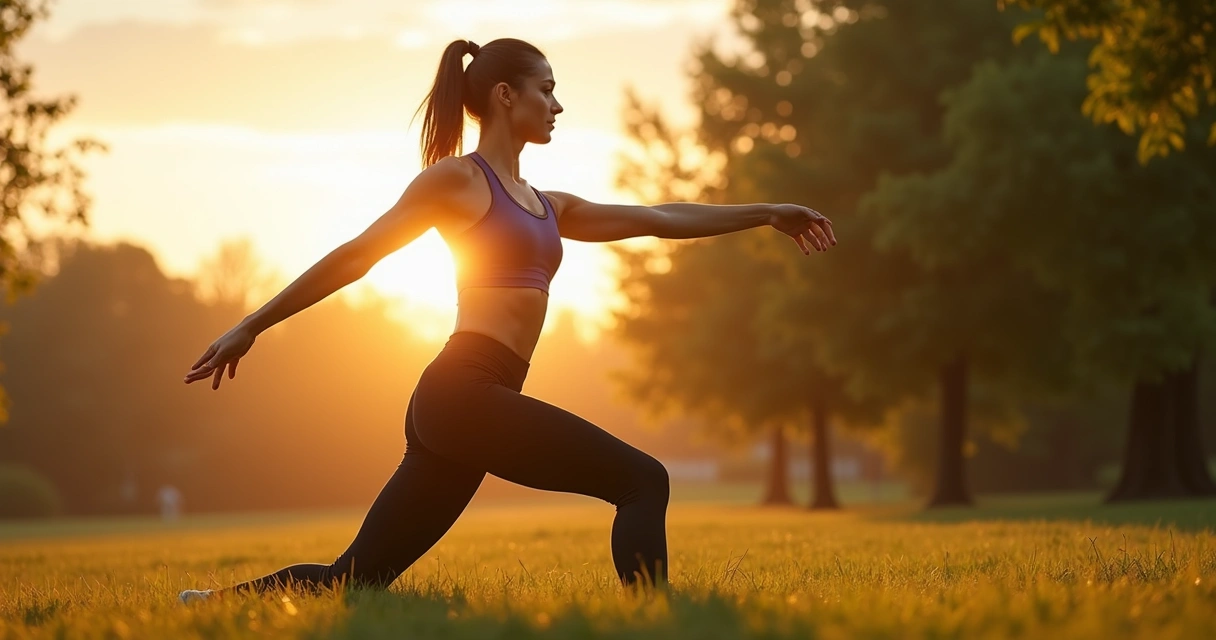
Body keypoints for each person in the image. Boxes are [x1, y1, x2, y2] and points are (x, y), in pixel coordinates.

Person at [177, 37, 834, 604]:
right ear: (503, 96)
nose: (557, 105)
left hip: (473, 402)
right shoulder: (457, 182)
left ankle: (206, 606)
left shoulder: (550, 206)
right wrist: (252, 324)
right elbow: (358, 256)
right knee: (643, 480)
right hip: (462, 392)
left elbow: (659, 218)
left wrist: (767, 211)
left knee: (357, 581)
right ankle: (657, 621)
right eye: (546, 90)